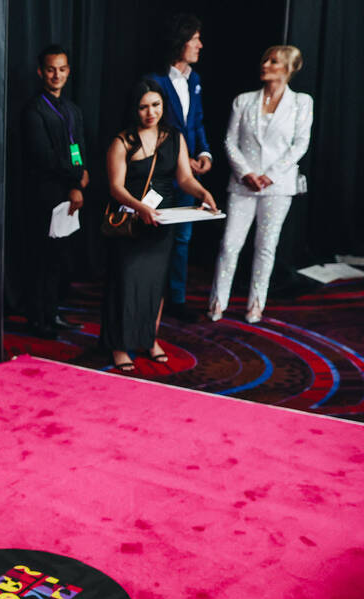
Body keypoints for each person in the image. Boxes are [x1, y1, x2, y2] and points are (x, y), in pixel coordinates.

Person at [100, 80, 217, 372]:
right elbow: (115, 187)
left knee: (155, 284)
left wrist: (203, 193)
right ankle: (119, 345)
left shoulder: (174, 137)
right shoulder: (122, 141)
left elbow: (185, 178)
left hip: (162, 222)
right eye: (143, 107)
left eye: (156, 105)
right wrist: (141, 208)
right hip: (130, 221)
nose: (150, 112)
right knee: (126, 284)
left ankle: (149, 339)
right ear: (134, 109)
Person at [208, 46, 313, 323]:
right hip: (243, 184)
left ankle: (256, 303)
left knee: (266, 246)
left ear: (289, 69)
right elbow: (230, 141)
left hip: (277, 187)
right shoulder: (243, 101)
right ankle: (218, 300)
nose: (265, 64)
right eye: (265, 59)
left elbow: (300, 143)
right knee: (229, 244)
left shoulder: (302, 103)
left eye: (274, 61)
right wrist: (245, 172)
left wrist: (272, 175)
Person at [146, 13, 213, 323]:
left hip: (189, 176)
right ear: (180, 41)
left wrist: (204, 154)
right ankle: (150, 297)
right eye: (194, 38)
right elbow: (150, 129)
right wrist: (179, 159)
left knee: (183, 239)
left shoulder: (195, 81)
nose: (200, 44)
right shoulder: (154, 81)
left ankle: (176, 298)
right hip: (159, 176)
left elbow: (195, 123)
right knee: (154, 239)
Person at [20, 44, 89, 340]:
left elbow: (79, 149)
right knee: (42, 259)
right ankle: (38, 319)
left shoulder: (72, 110)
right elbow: (44, 157)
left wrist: (78, 183)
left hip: (69, 194)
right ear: (40, 72)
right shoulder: (33, 111)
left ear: (68, 71)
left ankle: (53, 312)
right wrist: (77, 178)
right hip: (44, 195)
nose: (56, 75)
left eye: (61, 69)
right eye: (50, 69)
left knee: (60, 258)